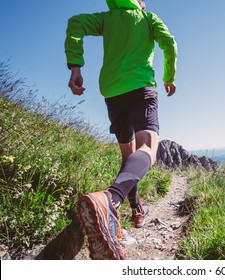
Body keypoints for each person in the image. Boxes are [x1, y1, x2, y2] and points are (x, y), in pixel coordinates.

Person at [65, 0, 177, 260]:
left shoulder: (107, 18)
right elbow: (169, 43)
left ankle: (136, 210)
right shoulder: (148, 19)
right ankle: (111, 200)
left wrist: (75, 65)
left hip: (113, 93)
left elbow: (75, 24)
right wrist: (169, 76)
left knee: (128, 157)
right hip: (141, 88)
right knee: (149, 147)